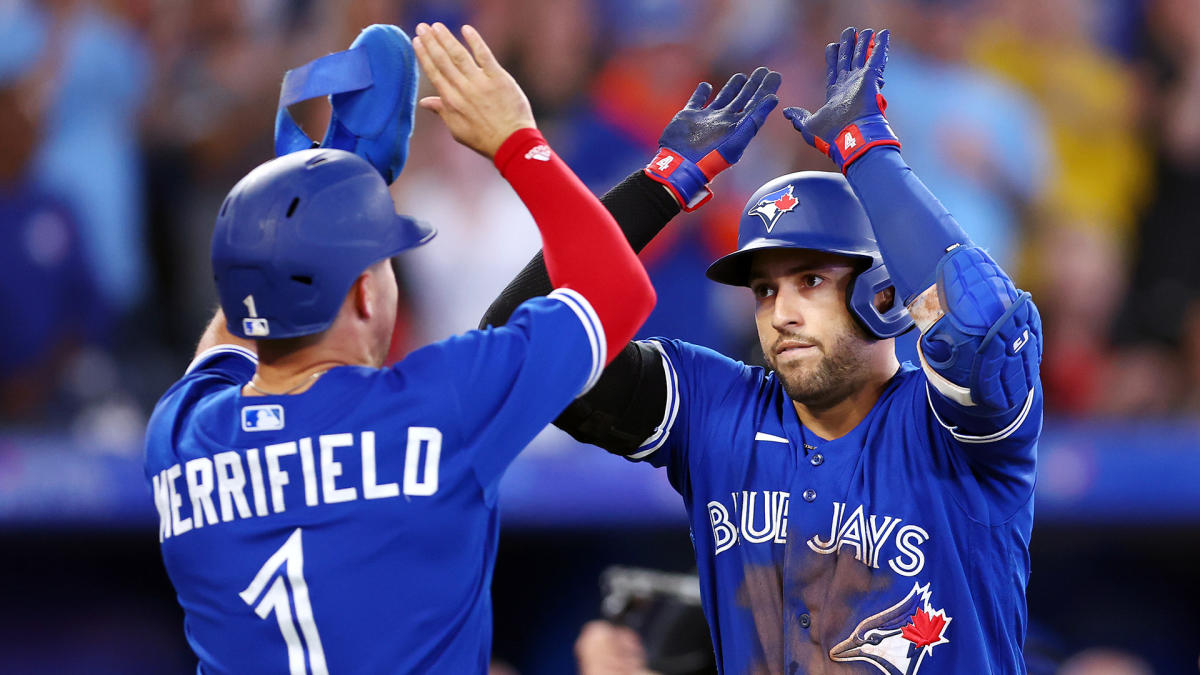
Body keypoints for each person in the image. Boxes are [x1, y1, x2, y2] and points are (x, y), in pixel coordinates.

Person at [485, 27, 1043, 673]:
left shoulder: (951, 425)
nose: (781, 312)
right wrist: (659, 186)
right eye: (763, 289)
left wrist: (869, 153)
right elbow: (514, 346)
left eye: (810, 280)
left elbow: (982, 325)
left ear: (883, 293)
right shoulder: (716, 408)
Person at [144, 22, 655, 673]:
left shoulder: (181, 432)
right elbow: (616, 289)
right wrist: (517, 142)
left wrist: (316, 194)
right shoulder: (441, 403)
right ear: (363, 292)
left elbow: (237, 322)